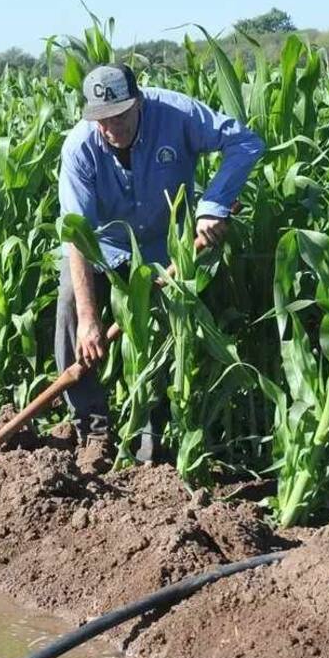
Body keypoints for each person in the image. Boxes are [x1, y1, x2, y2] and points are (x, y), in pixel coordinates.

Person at [55, 63, 265, 462]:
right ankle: (92, 428)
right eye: (100, 120)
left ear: (139, 104)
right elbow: (77, 237)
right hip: (103, 247)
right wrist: (89, 318)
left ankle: (152, 443)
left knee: (172, 333)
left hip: (165, 250)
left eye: (118, 117)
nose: (109, 129)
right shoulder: (80, 147)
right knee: (70, 306)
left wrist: (214, 205)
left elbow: (245, 143)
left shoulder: (178, 116)